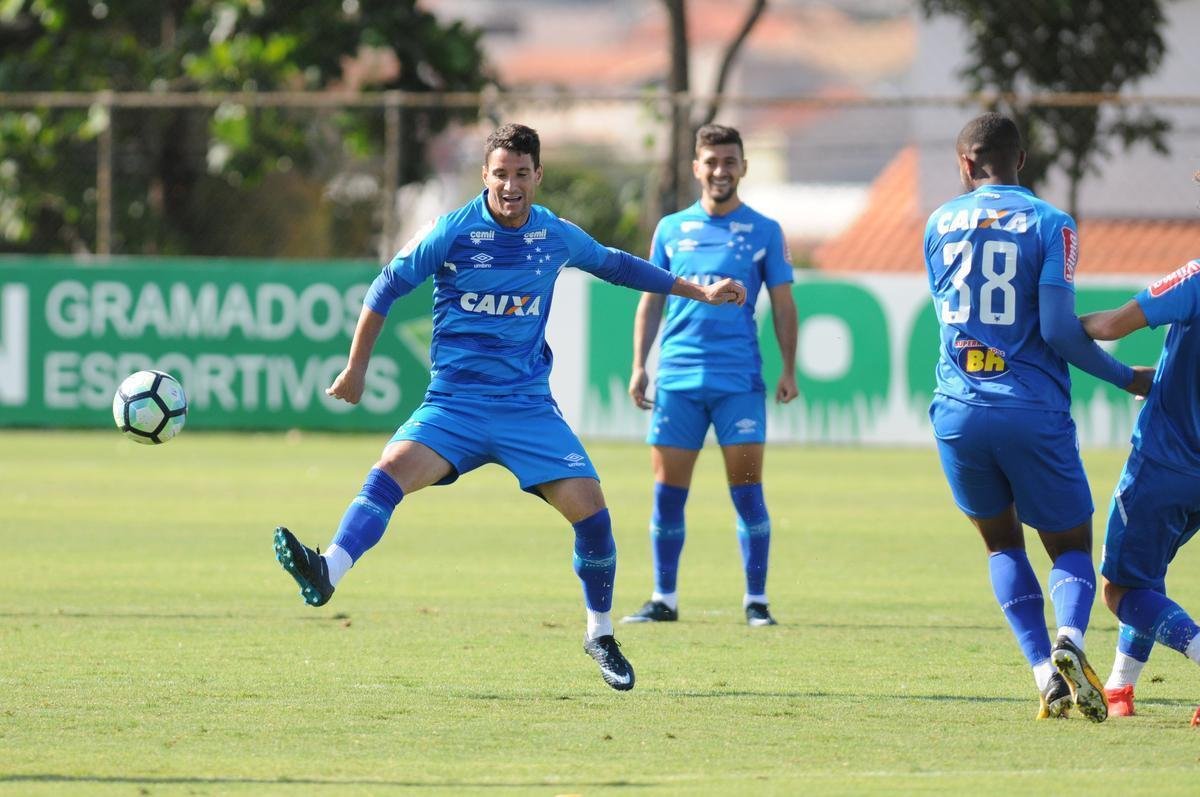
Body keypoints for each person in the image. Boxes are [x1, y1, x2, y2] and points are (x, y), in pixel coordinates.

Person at [272, 123, 747, 692]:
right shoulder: (449, 232)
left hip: (526, 409)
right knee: (388, 473)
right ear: (485, 176)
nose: (511, 185)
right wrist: (356, 368)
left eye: (522, 174)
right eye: (501, 173)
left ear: (538, 176)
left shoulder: (557, 236)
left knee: (593, 514)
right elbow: (386, 287)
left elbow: (620, 266)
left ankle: (599, 632)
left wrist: (700, 290)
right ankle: (328, 571)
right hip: (455, 404)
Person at [923, 112, 1152, 722]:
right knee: (1071, 545)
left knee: (1001, 544)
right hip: (1029, 409)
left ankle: (1042, 672)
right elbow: (1056, 330)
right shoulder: (1052, 224)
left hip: (957, 411)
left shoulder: (939, 221)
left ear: (966, 163)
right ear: (1021, 160)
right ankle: (1070, 642)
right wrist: (1128, 377)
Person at [621, 124, 798, 628]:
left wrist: (788, 368)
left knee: (747, 491)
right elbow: (650, 299)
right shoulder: (670, 229)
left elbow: (784, 304)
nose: (721, 171)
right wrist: (640, 365)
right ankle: (664, 598)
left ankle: (756, 601)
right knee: (667, 495)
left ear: (743, 166)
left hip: (738, 382)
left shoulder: (765, 231)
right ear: (696, 167)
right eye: (711, 162)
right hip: (677, 379)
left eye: (730, 161)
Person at [1080, 252, 1200, 723]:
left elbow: (1110, 326)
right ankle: (1120, 688)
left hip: (1167, 464)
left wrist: (1045, 324)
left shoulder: (1195, 277)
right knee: (1147, 574)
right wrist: (1165, 381)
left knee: (1122, 589)